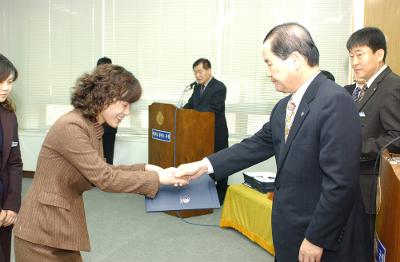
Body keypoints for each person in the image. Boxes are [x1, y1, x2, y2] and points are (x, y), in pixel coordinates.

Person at [177, 23, 372, 261]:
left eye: (269, 63)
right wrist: (204, 165)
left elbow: (341, 182)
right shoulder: (283, 108)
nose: (268, 72)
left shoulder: (335, 101)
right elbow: (253, 146)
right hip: (290, 230)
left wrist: (317, 237)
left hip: (323, 239)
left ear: (295, 60)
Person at [13, 64, 187, 261]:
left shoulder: (89, 125)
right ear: (105, 97)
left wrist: (145, 168)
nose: (128, 112)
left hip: (59, 229)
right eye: (124, 104)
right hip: (41, 233)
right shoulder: (72, 126)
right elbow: (105, 178)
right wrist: (156, 178)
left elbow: (101, 169)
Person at [346, 27, 400, 248]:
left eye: (360, 54)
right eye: (351, 56)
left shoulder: (392, 86)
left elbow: (396, 138)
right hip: (355, 184)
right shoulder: (362, 88)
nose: (355, 62)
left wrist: (353, 148)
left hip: (372, 187)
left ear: (379, 54)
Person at [183, 58, 229, 204]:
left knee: (220, 163)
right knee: (203, 161)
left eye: (200, 72)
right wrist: (179, 113)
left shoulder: (219, 87)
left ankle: (221, 193)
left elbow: (214, 108)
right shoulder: (197, 88)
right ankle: (205, 190)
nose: (197, 76)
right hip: (201, 133)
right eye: (195, 72)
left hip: (216, 132)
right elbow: (191, 104)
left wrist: (195, 113)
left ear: (209, 70)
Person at [0, 54, 23, 262]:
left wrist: (12, 205)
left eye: (9, 82)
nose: (6, 88)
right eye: (0, 82)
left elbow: (14, 163)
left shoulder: (8, 115)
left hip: (4, 205)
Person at [96, 57, 117, 164]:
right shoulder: (92, 85)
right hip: (94, 127)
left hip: (109, 127)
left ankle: (109, 179)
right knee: (95, 158)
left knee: (108, 159)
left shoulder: (116, 85)